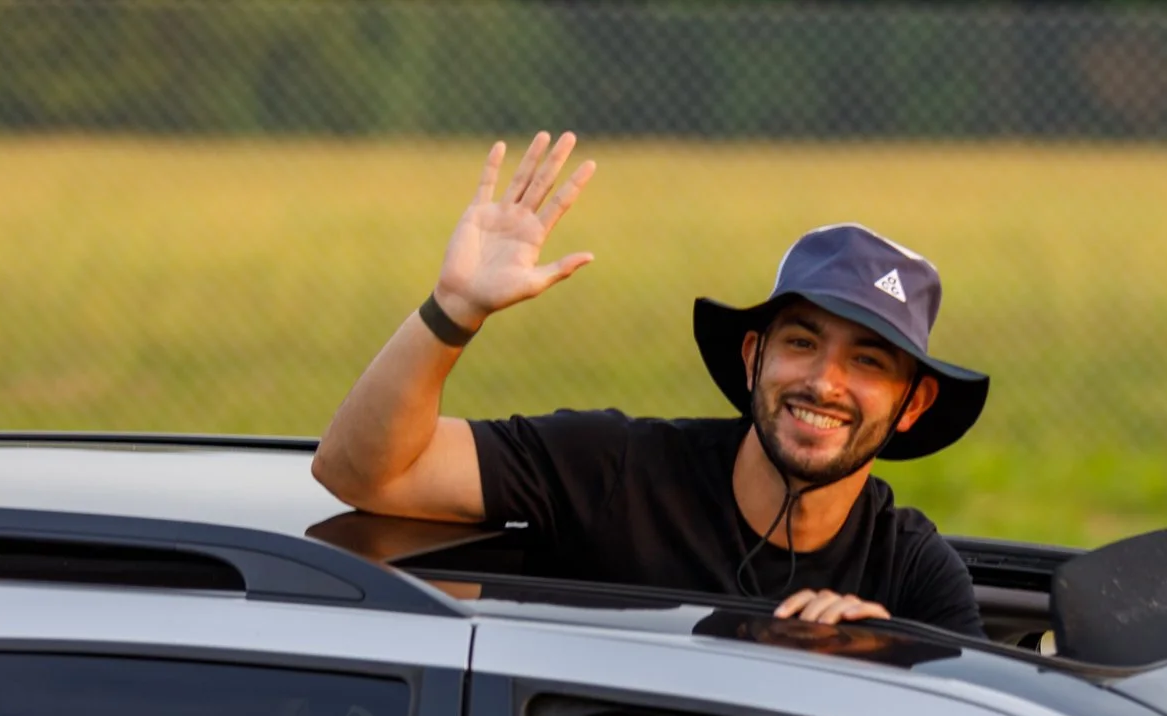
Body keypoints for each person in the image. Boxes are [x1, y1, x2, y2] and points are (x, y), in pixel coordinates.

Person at [312, 130, 986, 634]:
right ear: (753, 357)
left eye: (867, 361)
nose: (824, 381)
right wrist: (454, 309)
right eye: (802, 342)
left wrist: (888, 672)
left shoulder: (911, 574)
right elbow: (361, 473)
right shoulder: (618, 469)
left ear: (912, 403)